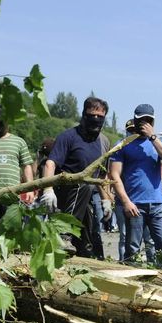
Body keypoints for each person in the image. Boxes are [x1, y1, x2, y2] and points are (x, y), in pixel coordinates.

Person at [40, 97, 113, 259]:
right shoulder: (68, 137)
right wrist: (48, 189)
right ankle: (64, 235)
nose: (95, 120)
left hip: (84, 198)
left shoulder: (104, 142)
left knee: (86, 243)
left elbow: (101, 175)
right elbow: (50, 163)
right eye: (91, 115)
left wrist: (106, 200)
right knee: (83, 186)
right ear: (84, 115)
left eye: (100, 117)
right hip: (63, 191)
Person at [109, 104, 162, 270]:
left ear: (153, 121)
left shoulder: (161, 142)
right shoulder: (122, 144)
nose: (143, 123)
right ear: (135, 120)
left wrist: (152, 137)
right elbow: (114, 175)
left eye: (147, 120)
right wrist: (126, 202)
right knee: (132, 251)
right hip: (134, 205)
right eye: (140, 120)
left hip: (158, 205)